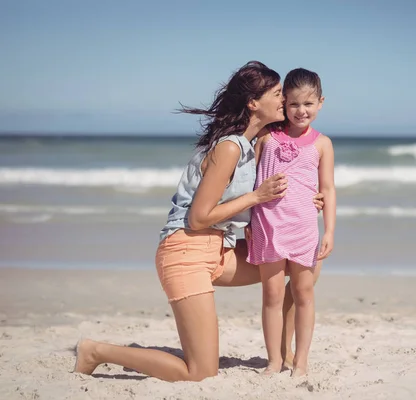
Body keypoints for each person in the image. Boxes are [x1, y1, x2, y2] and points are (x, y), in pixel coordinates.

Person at [73, 61, 324, 382]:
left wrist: (314, 199)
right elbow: (198, 217)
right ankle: (96, 351)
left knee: (303, 262)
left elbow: (291, 166)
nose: (284, 100)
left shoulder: (251, 143)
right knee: (200, 372)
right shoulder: (230, 147)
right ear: (253, 103)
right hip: (185, 253)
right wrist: (256, 197)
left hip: (218, 250)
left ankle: (286, 356)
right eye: (278, 94)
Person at [247, 68, 336, 377]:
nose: (301, 111)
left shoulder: (322, 143)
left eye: (309, 104)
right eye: (294, 104)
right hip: (267, 226)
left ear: (321, 102)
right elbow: (248, 182)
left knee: (303, 294)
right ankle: (273, 361)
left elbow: (328, 189)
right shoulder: (267, 137)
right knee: (271, 296)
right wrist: (244, 220)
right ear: (284, 102)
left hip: (303, 229)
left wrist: (330, 230)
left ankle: (301, 361)